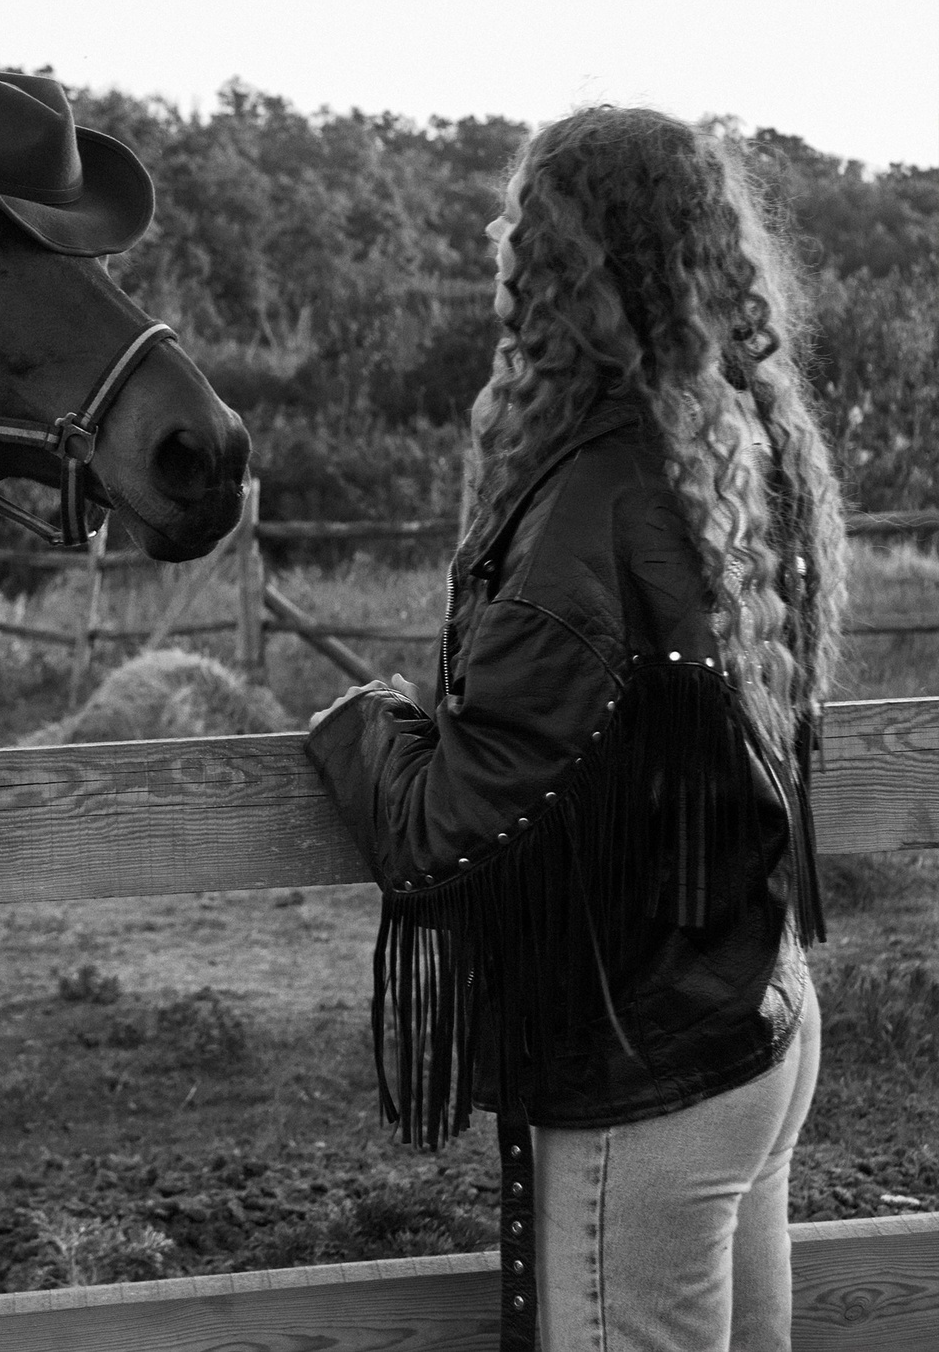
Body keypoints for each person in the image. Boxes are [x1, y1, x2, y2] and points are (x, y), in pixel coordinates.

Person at [305, 106, 846, 1352]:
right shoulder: (730, 451)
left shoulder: (589, 508)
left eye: (517, 223)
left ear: (560, 266)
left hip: (645, 1074)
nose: (497, 240)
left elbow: (454, 833)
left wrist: (357, 724)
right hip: (750, 1011)